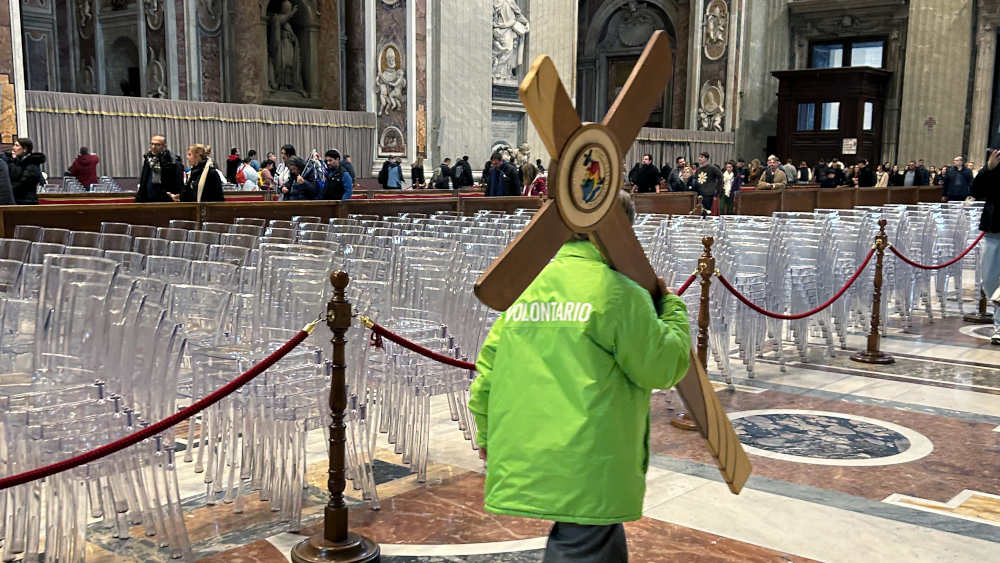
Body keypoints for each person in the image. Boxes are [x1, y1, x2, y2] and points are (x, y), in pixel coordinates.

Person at [469, 190, 690, 563]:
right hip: (589, 456)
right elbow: (663, 366)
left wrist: (487, 434)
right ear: (622, 234)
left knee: (595, 533)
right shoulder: (619, 293)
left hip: (536, 446)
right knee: (584, 542)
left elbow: (487, 369)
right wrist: (671, 308)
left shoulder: (528, 288)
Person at [971, 149, 1000, 344]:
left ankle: (999, 325)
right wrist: (988, 169)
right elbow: (976, 191)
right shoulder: (995, 163)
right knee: (988, 278)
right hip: (994, 227)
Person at [136, 135, 183, 202]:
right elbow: (144, 181)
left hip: (165, 199)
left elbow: (178, 182)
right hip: (148, 199)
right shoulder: (148, 158)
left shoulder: (173, 160)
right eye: (152, 144)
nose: (153, 147)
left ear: (164, 146)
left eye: (157, 145)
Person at [4, 138, 45, 205]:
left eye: (17, 145)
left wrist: (7, 190)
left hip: (27, 202)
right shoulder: (18, 162)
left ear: (25, 149)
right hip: (18, 200)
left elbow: (22, 184)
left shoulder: (32, 164)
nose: (13, 148)